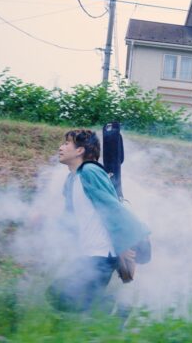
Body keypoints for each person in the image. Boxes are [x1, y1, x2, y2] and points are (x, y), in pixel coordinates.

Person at [47, 129, 150, 313]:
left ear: (80, 150)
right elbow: (70, 217)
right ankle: (114, 312)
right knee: (61, 295)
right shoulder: (72, 179)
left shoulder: (90, 171)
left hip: (103, 254)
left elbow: (112, 208)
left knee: (69, 298)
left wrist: (124, 247)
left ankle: (120, 310)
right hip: (89, 254)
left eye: (67, 143)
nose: (61, 147)